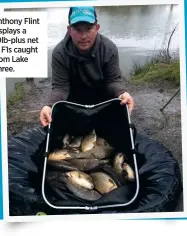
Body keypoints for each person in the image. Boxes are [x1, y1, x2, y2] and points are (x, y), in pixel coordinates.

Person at [40, 6, 134, 127]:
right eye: (78, 30)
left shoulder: (109, 48)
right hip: (73, 103)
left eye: (89, 28)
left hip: (102, 101)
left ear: (97, 28)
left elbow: (112, 81)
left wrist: (122, 93)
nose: (83, 36)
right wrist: (49, 105)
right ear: (69, 30)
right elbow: (60, 88)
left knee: (117, 118)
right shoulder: (59, 53)